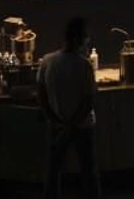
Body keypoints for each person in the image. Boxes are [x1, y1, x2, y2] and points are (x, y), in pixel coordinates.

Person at [38, 16, 100, 199]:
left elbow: (41, 96)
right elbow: (88, 101)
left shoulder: (47, 62)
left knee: (53, 171)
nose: (86, 41)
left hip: (56, 125)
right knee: (89, 172)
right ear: (78, 39)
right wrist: (71, 125)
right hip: (83, 127)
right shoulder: (84, 65)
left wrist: (56, 120)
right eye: (85, 37)